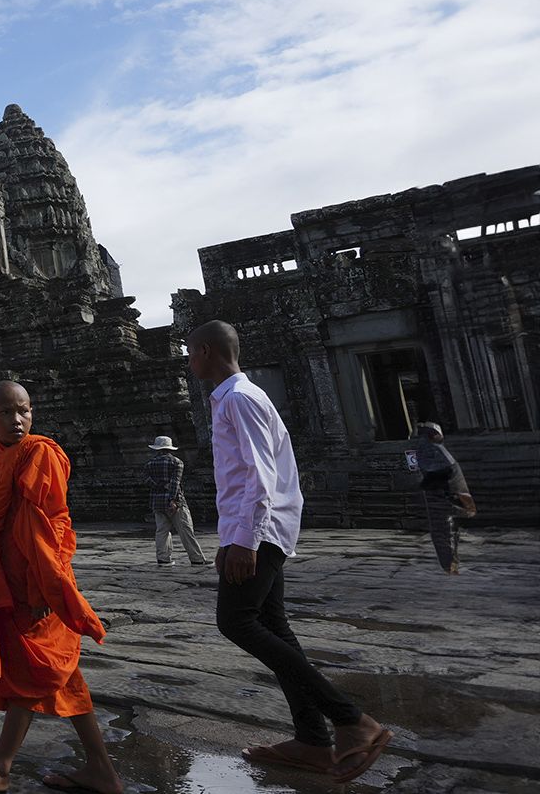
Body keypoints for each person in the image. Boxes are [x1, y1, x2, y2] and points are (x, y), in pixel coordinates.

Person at [188, 320, 393, 783]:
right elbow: (241, 476)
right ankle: (312, 740)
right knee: (272, 625)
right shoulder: (235, 397)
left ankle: (351, 721)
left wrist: (245, 540)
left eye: (190, 353)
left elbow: (259, 475)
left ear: (205, 350)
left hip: (261, 530)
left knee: (236, 621)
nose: (188, 361)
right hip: (257, 528)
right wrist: (230, 537)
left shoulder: (239, 399)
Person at [0, 382, 123, 794]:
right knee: (59, 671)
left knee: (34, 668)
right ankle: (102, 769)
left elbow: (51, 526)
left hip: (39, 583)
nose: (16, 420)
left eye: (23, 410)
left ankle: (0, 765)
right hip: (8, 581)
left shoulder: (40, 452)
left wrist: (45, 588)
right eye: (5, 413)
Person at [411, 422, 473, 574]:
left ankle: (450, 563)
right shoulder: (432, 448)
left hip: (440, 490)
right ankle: (450, 564)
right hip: (439, 491)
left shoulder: (431, 449)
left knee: (443, 530)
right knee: (443, 530)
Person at [143, 436, 207, 567]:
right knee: (186, 530)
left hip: (157, 501)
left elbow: (146, 481)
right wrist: (172, 500)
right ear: (169, 448)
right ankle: (197, 558)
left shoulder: (149, 464)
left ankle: (163, 558)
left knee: (162, 531)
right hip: (175, 502)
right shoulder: (177, 462)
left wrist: (160, 485)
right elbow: (175, 483)